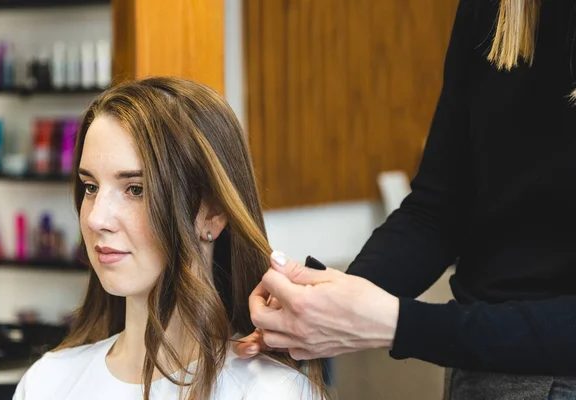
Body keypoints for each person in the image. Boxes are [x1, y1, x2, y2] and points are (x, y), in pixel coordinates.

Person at [235, 0, 576, 398]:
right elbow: (440, 208)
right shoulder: (496, 10)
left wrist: (395, 323)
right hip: (479, 374)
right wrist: (326, 300)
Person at [12, 77, 326, 400]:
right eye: (91, 187)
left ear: (212, 214)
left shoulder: (274, 392)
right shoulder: (46, 383)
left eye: (135, 189)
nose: (96, 219)